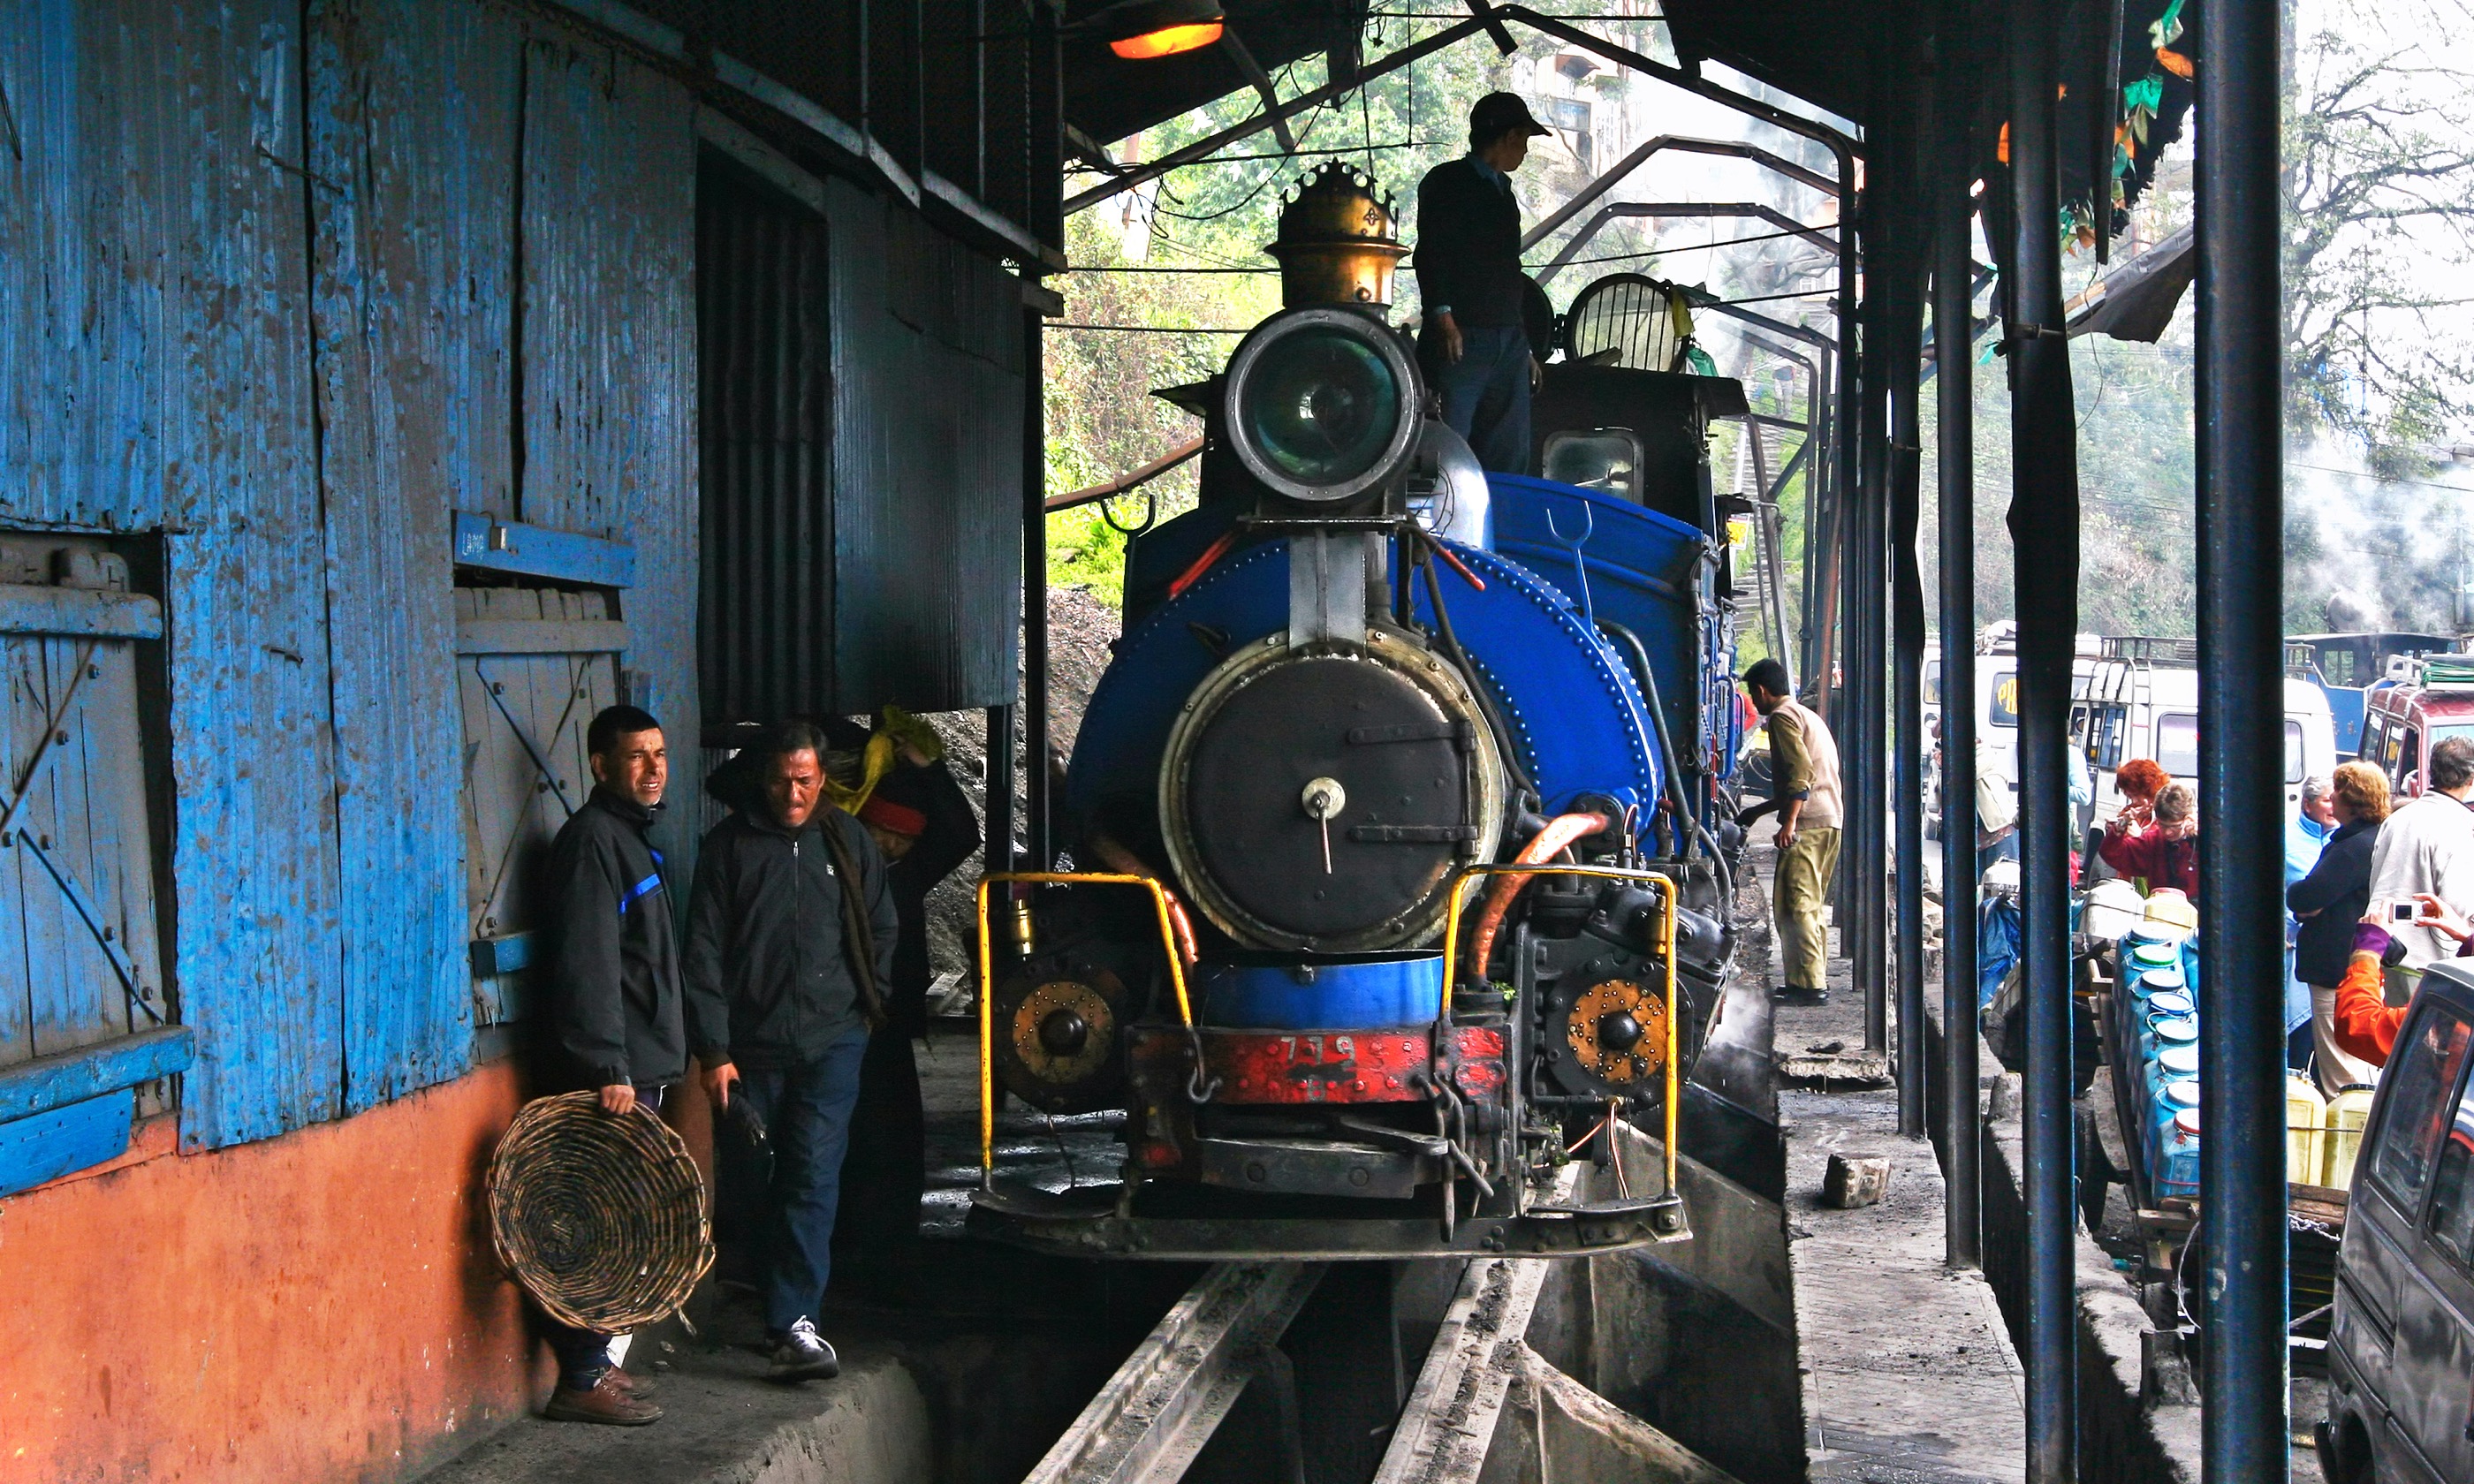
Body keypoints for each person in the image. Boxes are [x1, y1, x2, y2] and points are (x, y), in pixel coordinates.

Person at [685, 722, 899, 1382]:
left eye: (806, 780)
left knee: (812, 1172)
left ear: (822, 778)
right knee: (756, 1175)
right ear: (763, 778)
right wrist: (714, 1050)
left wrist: (866, 1009)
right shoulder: (727, 849)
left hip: (833, 1041)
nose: (794, 793)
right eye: (782, 780)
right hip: (750, 1048)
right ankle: (761, 1286)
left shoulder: (847, 840)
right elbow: (703, 955)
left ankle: (793, 1322)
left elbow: (882, 926)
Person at [536, 704, 683, 1426]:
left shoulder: (630, 838)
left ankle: (594, 1367)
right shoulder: (594, 841)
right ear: (600, 766)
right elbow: (588, 963)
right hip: (618, 1075)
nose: (654, 769)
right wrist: (607, 1065)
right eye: (636, 757)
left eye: (659, 754)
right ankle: (580, 1380)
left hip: (644, 1063)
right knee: (602, 1224)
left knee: (624, 1221)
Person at [833, 727, 981, 1268]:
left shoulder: (907, 875)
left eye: (901, 840)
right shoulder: (835, 871)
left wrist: (929, 770)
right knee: (851, 1134)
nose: (892, 846)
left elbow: (962, 834)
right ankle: (857, 1241)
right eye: (882, 834)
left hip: (889, 1024)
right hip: (843, 1023)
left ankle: (891, 1237)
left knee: (893, 1133)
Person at [1415, 93, 1552, 473]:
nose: (1524, 151)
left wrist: (1522, 346)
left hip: (1507, 340)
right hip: (1463, 338)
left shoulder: (1503, 193)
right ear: (1509, 137)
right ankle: (1440, 527)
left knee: (1508, 452)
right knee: (1447, 446)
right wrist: (1443, 318)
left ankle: (1499, 522)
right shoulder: (1447, 182)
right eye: (1523, 140)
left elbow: (1507, 272)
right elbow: (1431, 252)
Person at [1739, 658, 1841, 1004]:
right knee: (1803, 905)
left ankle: (1812, 987)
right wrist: (1757, 811)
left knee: (1797, 905)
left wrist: (1789, 823)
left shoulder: (1782, 718)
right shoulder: (1807, 715)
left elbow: (1801, 775)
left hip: (1810, 823)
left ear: (1762, 691)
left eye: (1754, 694)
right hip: (1828, 819)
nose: (1755, 702)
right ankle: (1804, 979)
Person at [2289, 763, 2388, 1094]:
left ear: (2354, 800)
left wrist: (2308, 904)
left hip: (2338, 969)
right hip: (2354, 963)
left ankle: (2349, 1138)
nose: (2331, 798)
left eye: (2338, 792)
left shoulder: (2353, 847)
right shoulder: (2370, 840)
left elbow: (2304, 895)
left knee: (2341, 1074)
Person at [2365, 734, 2474, 965]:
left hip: (2384, 951)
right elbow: (2462, 905)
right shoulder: (2462, 825)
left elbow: (2375, 878)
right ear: (2471, 779)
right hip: (2434, 963)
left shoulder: (2398, 818)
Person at [2283, 775, 2340, 1070]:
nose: (2334, 807)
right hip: (2290, 949)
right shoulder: (2284, 837)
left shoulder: (2344, 841)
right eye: (2327, 800)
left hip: (2328, 952)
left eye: (2337, 799)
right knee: (2295, 1036)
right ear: (2307, 804)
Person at [2098, 781, 2198, 897]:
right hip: (2160, 910)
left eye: (2175, 826)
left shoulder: (2208, 840)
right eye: (2162, 825)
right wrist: (2123, 824)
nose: (2167, 832)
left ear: (2189, 818)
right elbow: (2111, 853)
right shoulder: (2153, 841)